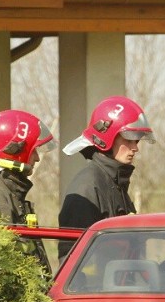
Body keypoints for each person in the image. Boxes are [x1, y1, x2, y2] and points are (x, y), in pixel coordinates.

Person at [57, 96, 155, 258]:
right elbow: (73, 259)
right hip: (96, 283)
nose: (135, 148)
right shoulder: (87, 187)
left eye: (137, 142)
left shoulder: (115, 183)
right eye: (129, 140)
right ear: (106, 138)